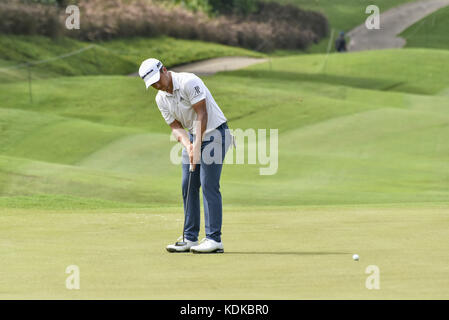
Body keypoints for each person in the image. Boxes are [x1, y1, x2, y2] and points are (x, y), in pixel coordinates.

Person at [138, 58, 232, 254]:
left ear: (164, 69)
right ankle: (189, 237)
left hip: (215, 133)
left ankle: (214, 239)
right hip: (192, 136)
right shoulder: (160, 98)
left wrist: (197, 144)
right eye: (152, 84)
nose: (157, 85)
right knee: (187, 184)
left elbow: (202, 114)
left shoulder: (189, 82)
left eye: (158, 80)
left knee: (208, 185)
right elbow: (175, 127)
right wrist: (189, 145)